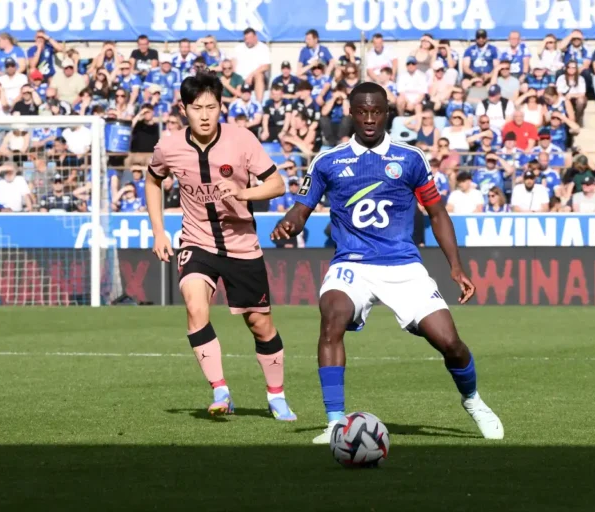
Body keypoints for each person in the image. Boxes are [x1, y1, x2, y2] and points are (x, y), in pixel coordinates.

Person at [271, 82, 503, 444]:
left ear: (386, 114)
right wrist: (289, 223)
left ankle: (473, 400)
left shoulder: (410, 158)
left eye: (375, 112)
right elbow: (301, 209)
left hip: (402, 266)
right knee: (331, 318)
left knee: (450, 343)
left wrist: (455, 267)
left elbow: (437, 212)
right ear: (351, 112)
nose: (368, 118)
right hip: (352, 264)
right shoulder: (327, 162)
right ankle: (335, 423)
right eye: (361, 111)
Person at [145, 71, 297, 421]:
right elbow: (153, 180)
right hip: (197, 242)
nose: (204, 115)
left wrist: (244, 192)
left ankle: (276, 395)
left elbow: (277, 184)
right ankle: (220, 389)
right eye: (197, 108)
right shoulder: (168, 146)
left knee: (260, 324)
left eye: (211, 107)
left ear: (221, 107)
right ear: (184, 110)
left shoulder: (241, 139)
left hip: (242, 246)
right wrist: (158, 231)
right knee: (195, 305)